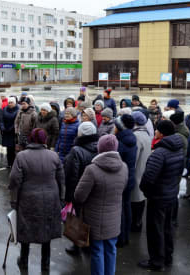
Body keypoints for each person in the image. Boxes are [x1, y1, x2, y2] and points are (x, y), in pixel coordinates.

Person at [9, 128, 65, 272]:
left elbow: (15, 179)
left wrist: (14, 200)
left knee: (26, 230)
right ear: (44, 140)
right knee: (46, 230)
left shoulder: (22, 156)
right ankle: (45, 264)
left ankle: (24, 260)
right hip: (50, 197)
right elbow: (61, 179)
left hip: (28, 197)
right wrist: (61, 198)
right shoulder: (54, 156)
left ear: (31, 139)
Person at [74, 134, 128, 275]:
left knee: (97, 250)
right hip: (114, 217)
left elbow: (79, 196)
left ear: (100, 148)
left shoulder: (92, 169)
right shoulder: (124, 167)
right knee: (111, 248)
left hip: (94, 218)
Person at [138, 120, 184, 271]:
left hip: (158, 198)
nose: (155, 132)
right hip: (171, 195)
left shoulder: (159, 153)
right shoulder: (178, 148)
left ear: (162, 133)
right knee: (167, 228)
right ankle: (167, 257)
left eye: (157, 130)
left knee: (155, 230)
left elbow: (148, 178)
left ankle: (156, 261)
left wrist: (146, 192)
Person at [64, 121, 99, 255]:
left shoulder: (76, 150)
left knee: (78, 217)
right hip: (94, 189)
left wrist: (69, 195)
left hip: (79, 189)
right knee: (91, 217)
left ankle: (78, 245)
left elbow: (71, 175)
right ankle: (89, 246)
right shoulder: (98, 146)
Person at [114, 114, 137, 247]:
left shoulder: (121, 143)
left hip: (121, 179)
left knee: (120, 209)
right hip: (130, 177)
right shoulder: (131, 138)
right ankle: (126, 235)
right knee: (126, 207)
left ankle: (121, 238)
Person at [130, 111, 151, 232]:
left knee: (136, 198)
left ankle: (136, 223)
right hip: (143, 169)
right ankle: (138, 222)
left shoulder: (136, 136)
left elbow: (134, 157)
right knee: (140, 197)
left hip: (137, 170)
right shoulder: (145, 134)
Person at [1, 97, 19, 168]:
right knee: (8, 148)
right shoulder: (5, 109)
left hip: (13, 132)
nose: (10, 104)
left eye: (11, 102)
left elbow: (17, 121)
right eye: (9, 102)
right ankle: (9, 163)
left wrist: (12, 128)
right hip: (6, 131)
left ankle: (14, 163)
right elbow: (1, 119)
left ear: (15, 103)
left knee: (13, 148)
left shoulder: (18, 110)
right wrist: (2, 127)